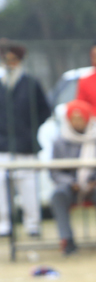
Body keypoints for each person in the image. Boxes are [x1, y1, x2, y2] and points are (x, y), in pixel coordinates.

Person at [50, 100, 96, 254]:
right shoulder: (60, 141)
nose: (77, 122)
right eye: (73, 119)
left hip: (95, 184)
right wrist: (70, 183)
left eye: (80, 118)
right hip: (70, 186)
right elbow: (55, 171)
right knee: (58, 195)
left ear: (88, 118)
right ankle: (67, 240)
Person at [0, 41, 52, 239]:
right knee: (2, 189)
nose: (10, 63)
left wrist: (30, 129)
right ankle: (5, 225)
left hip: (25, 145)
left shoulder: (31, 83)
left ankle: (32, 225)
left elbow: (44, 110)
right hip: (2, 145)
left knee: (28, 187)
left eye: (13, 59)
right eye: (6, 59)